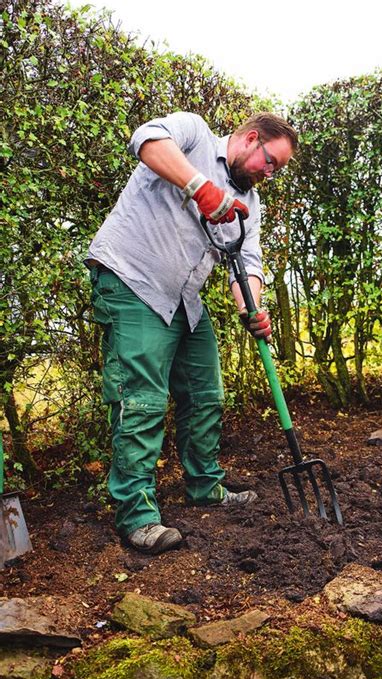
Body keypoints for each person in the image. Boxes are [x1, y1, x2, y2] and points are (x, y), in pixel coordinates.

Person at [86, 111, 298, 554]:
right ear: (252, 139)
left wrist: (252, 308)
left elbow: (249, 265)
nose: (270, 173)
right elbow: (145, 140)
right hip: (132, 281)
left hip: (184, 299)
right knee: (141, 400)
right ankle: (137, 516)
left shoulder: (250, 203)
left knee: (206, 394)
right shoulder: (193, 134)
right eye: (271, 162)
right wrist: (200, 188)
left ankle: (204, 486)